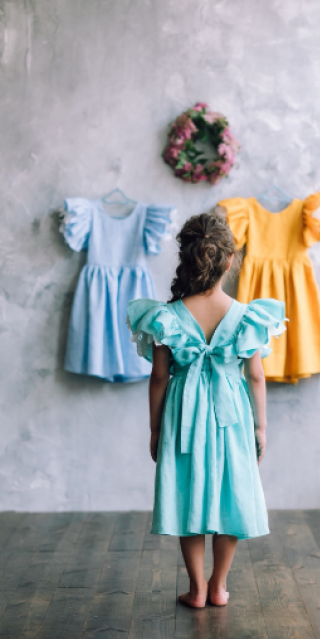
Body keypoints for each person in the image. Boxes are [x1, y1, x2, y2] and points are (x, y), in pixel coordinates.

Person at [127, 213, 286, 608]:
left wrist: (154, 428)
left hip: (184, 416)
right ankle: (219, 585)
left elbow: (159, 379)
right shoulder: (248, 316)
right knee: (230, 493)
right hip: (232, 414)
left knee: (189, 493)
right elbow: (255, 377)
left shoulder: (167, 316)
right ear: (229, 260)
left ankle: (197, 588)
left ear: (185, 258)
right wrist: (260, 427)